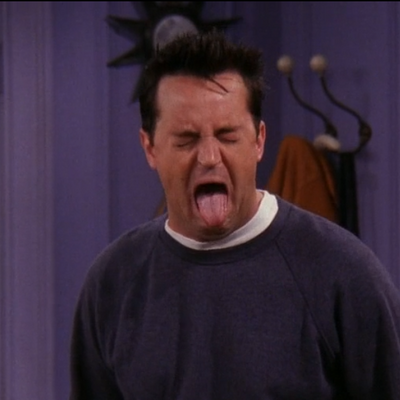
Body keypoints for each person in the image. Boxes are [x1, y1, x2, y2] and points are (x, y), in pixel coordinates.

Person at [69, 30, 400, 400]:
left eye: (228, 136)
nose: (210, 158)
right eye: (186, 140)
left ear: (259, 140)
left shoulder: (344, 273)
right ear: (150, 148)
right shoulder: (113, 282)